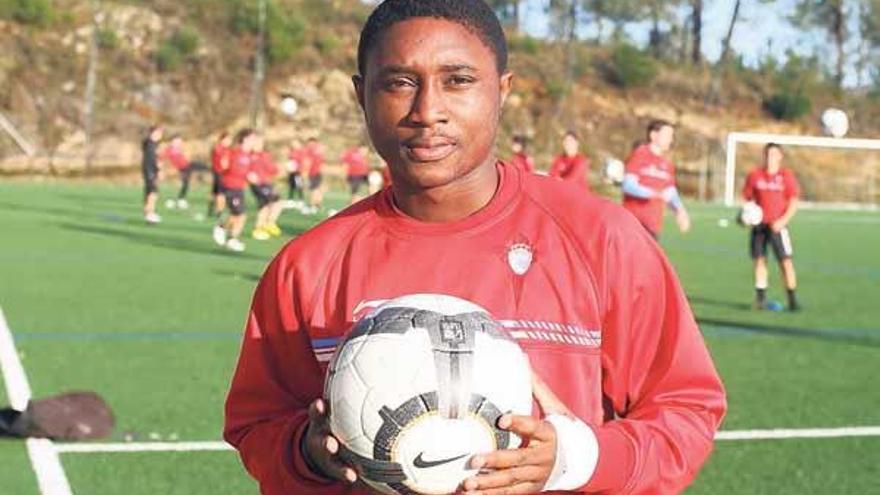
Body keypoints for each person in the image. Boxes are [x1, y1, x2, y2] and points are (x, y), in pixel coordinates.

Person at [224, 2, 726, 495]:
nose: (427, 111)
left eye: (458, 80)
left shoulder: (601, 240)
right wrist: (306, 453)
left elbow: (687, 409)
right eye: (398, 82)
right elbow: (258, 426)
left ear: (502, 91)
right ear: (362, 95)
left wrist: (577, 459)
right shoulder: (306, 267)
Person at [742, 143, 801, 311]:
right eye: (768, 154)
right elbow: (748, 200)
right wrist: (746, 217)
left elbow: (793, 202)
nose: (770, 158)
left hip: (778, 227)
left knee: (785, 261)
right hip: (759, 227)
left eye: (774, 154)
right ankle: (760, 298)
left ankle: (792, 299)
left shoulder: (786, 176)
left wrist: (783, 221)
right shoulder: (755, 176)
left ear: (780, 157)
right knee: (759, 261)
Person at [621, 120, 691, 239]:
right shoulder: (639, 154)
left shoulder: (666, 163)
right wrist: (653, 193)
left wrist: (680, 211)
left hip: (652, 226)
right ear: (653, 135)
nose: (671, 140)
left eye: (671, 136)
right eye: (667, 135)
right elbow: (628, 186)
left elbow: (670, 191)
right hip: (633, 224)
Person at [216, 129, 259, 252]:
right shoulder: (234, 152)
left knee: (239, 215)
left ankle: (227, 233)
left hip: (239, 188)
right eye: (252, 139)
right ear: (245, 139)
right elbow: (224, 167)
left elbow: (246, 170)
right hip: (230, 187)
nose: (254, 141)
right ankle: (227, 233)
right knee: (240, 214)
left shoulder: (249, 155)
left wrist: (250, 176)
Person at [249, 135, 284, 240]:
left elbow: (271, 168)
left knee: (268, 205)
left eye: (260, 143)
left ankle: (263, 226)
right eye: (256, 143)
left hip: (266, 183)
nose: (258, 146)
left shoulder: (264, 155)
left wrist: (278, 170)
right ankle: (265, 225)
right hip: (258, 184)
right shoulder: (249, 156)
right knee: (272, 203)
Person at [159, 134, 194, 209]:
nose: (178, 143)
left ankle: (181, 199)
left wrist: (187, 156)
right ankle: (176, 200)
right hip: (177, 169)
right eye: (176, 141)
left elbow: (187, 157)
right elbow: (162, 158)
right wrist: (162, 170)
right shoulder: (169, 149)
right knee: (179, 184)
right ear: (172, 142)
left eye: (179, 141)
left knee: (186, 184)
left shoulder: (182, 148)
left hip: (186, 167)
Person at [140, 125, 164, 224]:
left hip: (149, 171)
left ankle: (148, 213)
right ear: (153, 133)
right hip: (150, 171)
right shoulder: (150, 144)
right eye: (158, 133)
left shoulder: (153, 144)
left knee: (151, 192)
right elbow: (152, 160)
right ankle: (149, 213)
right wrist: (158, 170)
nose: (160, 135)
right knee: (152, 193)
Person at [210, 131, 232, 222]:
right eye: (227, 139)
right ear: (222, 139)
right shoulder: (219, 148)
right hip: (220, 173)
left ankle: (213, 209)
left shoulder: (227, 149)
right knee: (220, 194)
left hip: (220, 173)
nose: (229, 141)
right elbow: (224, 163)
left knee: (216, 193)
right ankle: (219, 211)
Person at [305, 137, 326, 214]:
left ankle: (313, 205)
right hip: (314, 172)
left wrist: (305, 172)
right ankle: (317, 205)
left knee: (315, 190)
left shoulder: (312, 150)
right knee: (316, 189)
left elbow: (307, 162)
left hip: (314, 173)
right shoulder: (317, 150)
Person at [285, 139, 307, 207]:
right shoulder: (291, 151)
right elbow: (290, 161)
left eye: (296, 143)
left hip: (298, 172)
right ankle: (290, 200)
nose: (294, 145)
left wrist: (299, 169)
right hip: (292, 172)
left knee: (299, 186)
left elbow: (303, 162)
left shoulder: (302, 152)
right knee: (291, 186)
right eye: (293, 143)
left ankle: (301, 201)